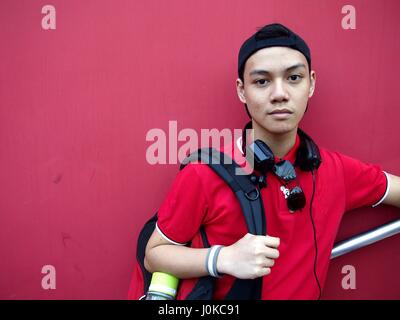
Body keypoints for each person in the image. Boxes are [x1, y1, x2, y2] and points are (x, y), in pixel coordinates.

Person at [143, 23, 400, 300]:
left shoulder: (336, 171)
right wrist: (222, 259)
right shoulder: (205, 173)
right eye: (262, 81)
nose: (279, 94)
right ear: (242, 90)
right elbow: (154, 255)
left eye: (294, 78)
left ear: (311, 83)